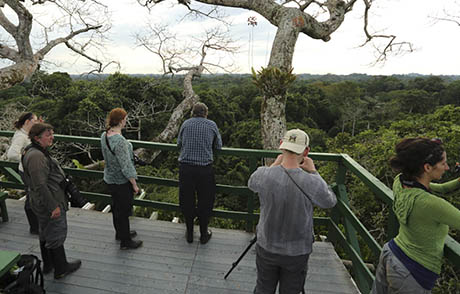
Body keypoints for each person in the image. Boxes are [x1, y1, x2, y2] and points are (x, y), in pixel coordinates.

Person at [248, 128, 337, 294]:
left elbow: (251, 183)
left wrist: (274, 164)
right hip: (297, 251)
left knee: (263, 288)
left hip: (266, 245)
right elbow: (330, 201)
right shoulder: (311, 182)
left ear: (281, 145)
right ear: (306, 151)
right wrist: (314, 172)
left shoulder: (263, 175)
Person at [372, 138, 460, 294]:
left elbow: (442, 188)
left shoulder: (400, 181)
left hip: (391, 254)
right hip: (412, 273)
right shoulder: (431, 204)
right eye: (443, 163)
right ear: (427, 167)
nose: (447, 167)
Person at [22, 123, 81, 279]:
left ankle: (49, 264)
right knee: (55, 232)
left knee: (45, 231)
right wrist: (53, 206)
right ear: (37, 138)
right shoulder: (36, 156)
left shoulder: (34, 151)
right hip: (48, 202)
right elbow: (39, 185)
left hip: (42, 201)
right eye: (48, 135)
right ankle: (61, 268)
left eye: (52, 134)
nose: (52, 137)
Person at [177, 102, 222, 244]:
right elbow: (218, 146)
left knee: (187, 201)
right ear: (206, 113)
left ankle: (190, 233)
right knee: (205, 201)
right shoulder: (212, 125)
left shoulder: (185, 124)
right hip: (204, 169)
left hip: (186, 168)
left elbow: (179, 144)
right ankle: (203, 234)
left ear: (192, 113)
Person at [101, 108, 142, 250]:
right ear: (121, 121)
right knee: (124, 211)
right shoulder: (120, 142)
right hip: (121, 181)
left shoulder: (104, 135)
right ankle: (126, 242)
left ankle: (120, 233)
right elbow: (126, 166)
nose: (126, 121)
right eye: (125, 119)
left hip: (109, 177)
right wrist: (134, 184)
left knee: (117, 208)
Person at [7, 112, 39, 234]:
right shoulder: (20, 136)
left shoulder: (26, 134)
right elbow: (12, 154)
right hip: (26, 171)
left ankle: (36, 225)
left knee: (33, 195)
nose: (36, 123)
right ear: (27, 122)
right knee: (31, 197)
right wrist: (27, 158)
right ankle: (35, 227)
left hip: (29, 170)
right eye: (34, 121)